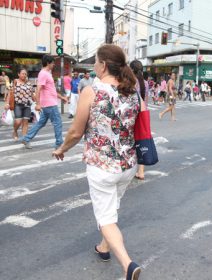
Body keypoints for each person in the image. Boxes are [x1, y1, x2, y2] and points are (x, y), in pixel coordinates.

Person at [52, 44, 142, 280]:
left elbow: (75, 132)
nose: (93, 65)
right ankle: (104, 248)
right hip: (128, 165)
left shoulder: (92, 91)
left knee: (105, 218)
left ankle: (128, 265)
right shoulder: (132, 91)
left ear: (103, 65)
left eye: (96, 61)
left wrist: (61, 149)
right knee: (111, 208)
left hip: (102, 166)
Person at [21, 55, 67, 149]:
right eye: (53, 63)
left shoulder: (47, 73)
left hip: (49, 102)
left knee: (41, 123)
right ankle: (59, 142)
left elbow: (51, 90)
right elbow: (38, 89)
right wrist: (38, 104)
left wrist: (62, 97)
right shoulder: (43, 74)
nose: (54, 64)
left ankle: (26, 138)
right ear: (48, 63)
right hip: (49, 104)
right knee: (57, 122)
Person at [4, 68, 35, 140]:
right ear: (18, 74)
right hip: (18, 105)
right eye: (23, 73)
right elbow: (10, 93)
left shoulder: (29, 83)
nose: (24, 75)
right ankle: (15, 131)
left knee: (25, 122)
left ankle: (25, 139)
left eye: (25, 74)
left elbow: (32, 94)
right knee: (18, 121)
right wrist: (7, 103)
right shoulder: (15, 82)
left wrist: (37, 103)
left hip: (27, 105)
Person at [130, 60, 147, 181]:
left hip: (132, 114)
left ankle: (129, 168)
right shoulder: (145, 83)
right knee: (141, 142)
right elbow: (146, 100)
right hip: (143, 114)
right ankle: (141, 171)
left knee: (129, 141)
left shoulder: (130, 82)